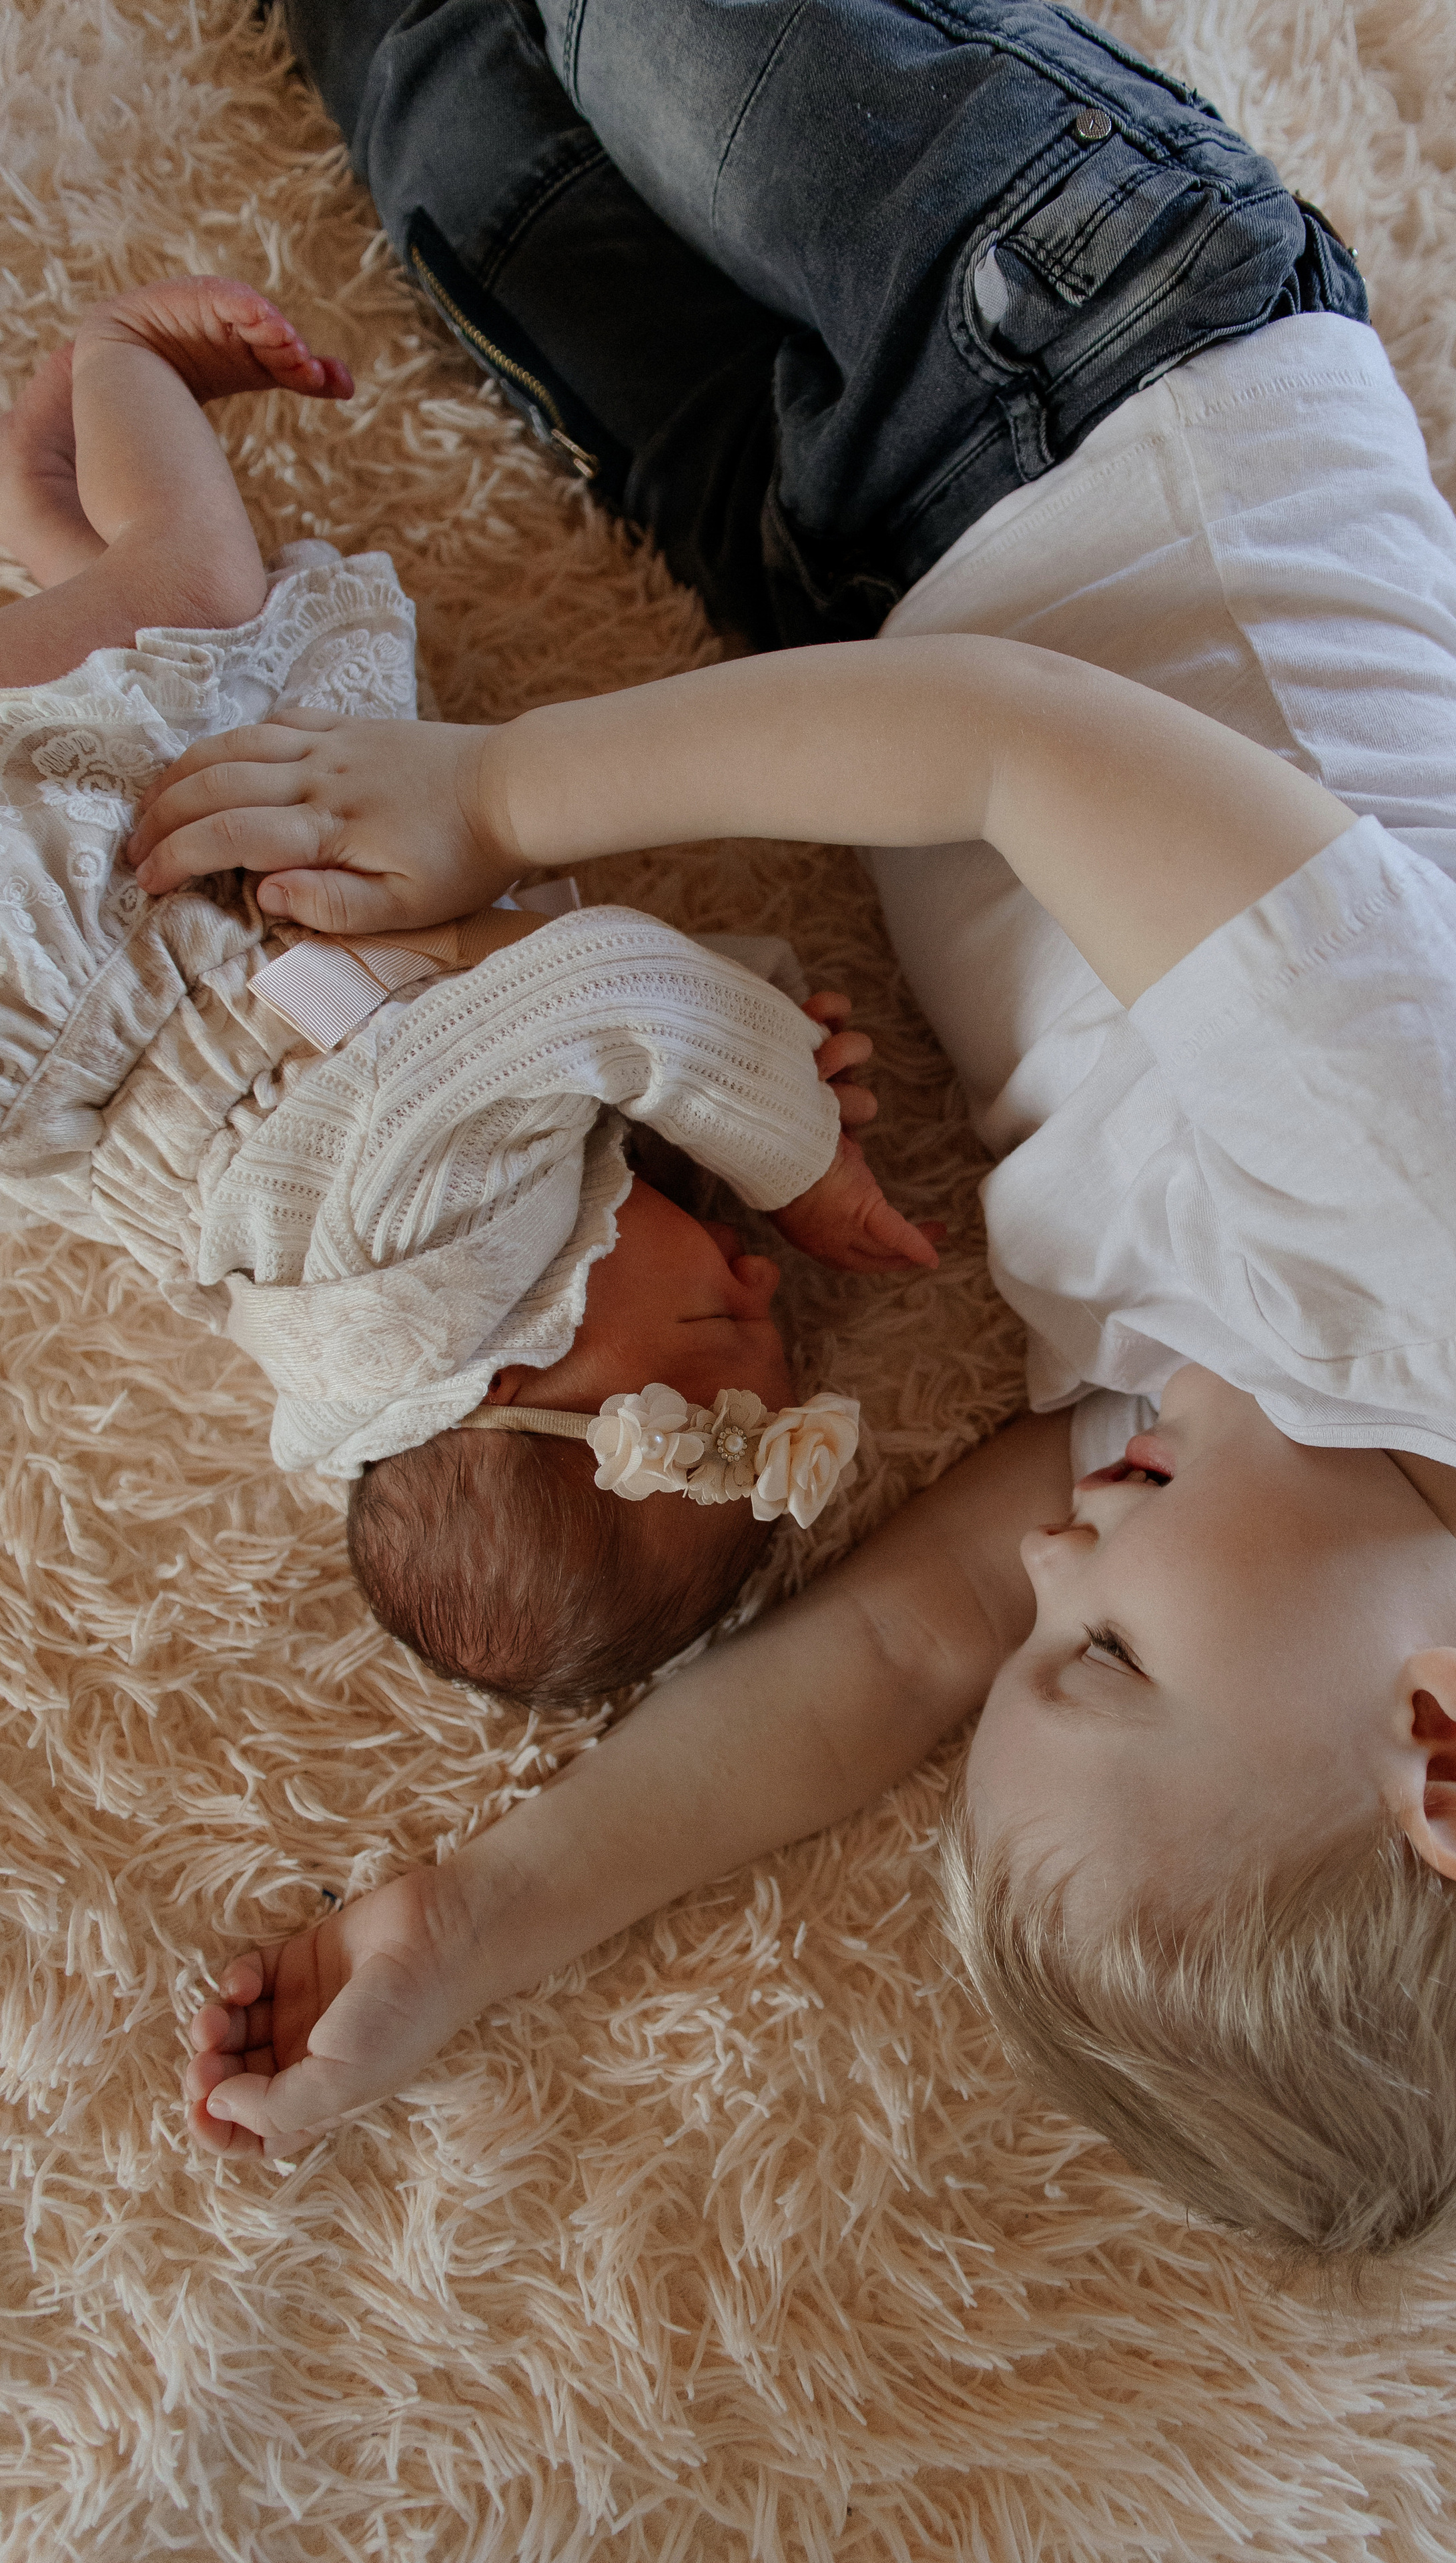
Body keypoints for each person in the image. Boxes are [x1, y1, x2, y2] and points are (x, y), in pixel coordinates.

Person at [137, 0, 1456, 2261]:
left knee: (452, 139)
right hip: (1080, 350)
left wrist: (471, 1926)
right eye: (1105, 1656)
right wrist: (498, 793)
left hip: (843, 593)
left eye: (1041, 1647)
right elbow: (1009, 746)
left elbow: (873, 1665)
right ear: (1446, 1748)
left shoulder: (1230, 1480)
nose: (1039, 1575)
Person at [0, 278, 942, 1715]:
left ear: (500, 1375)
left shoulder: (413, 1254)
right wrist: (770, 1023)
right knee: (146, 655)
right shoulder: (457, 1259)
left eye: (713, 1333)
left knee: (196, 596)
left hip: (77, 909)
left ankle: (118, 360)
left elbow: (594, 987)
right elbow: (560, 994)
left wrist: (789, 1138)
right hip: (190, 891)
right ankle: (51, 535)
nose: (763, 1276)